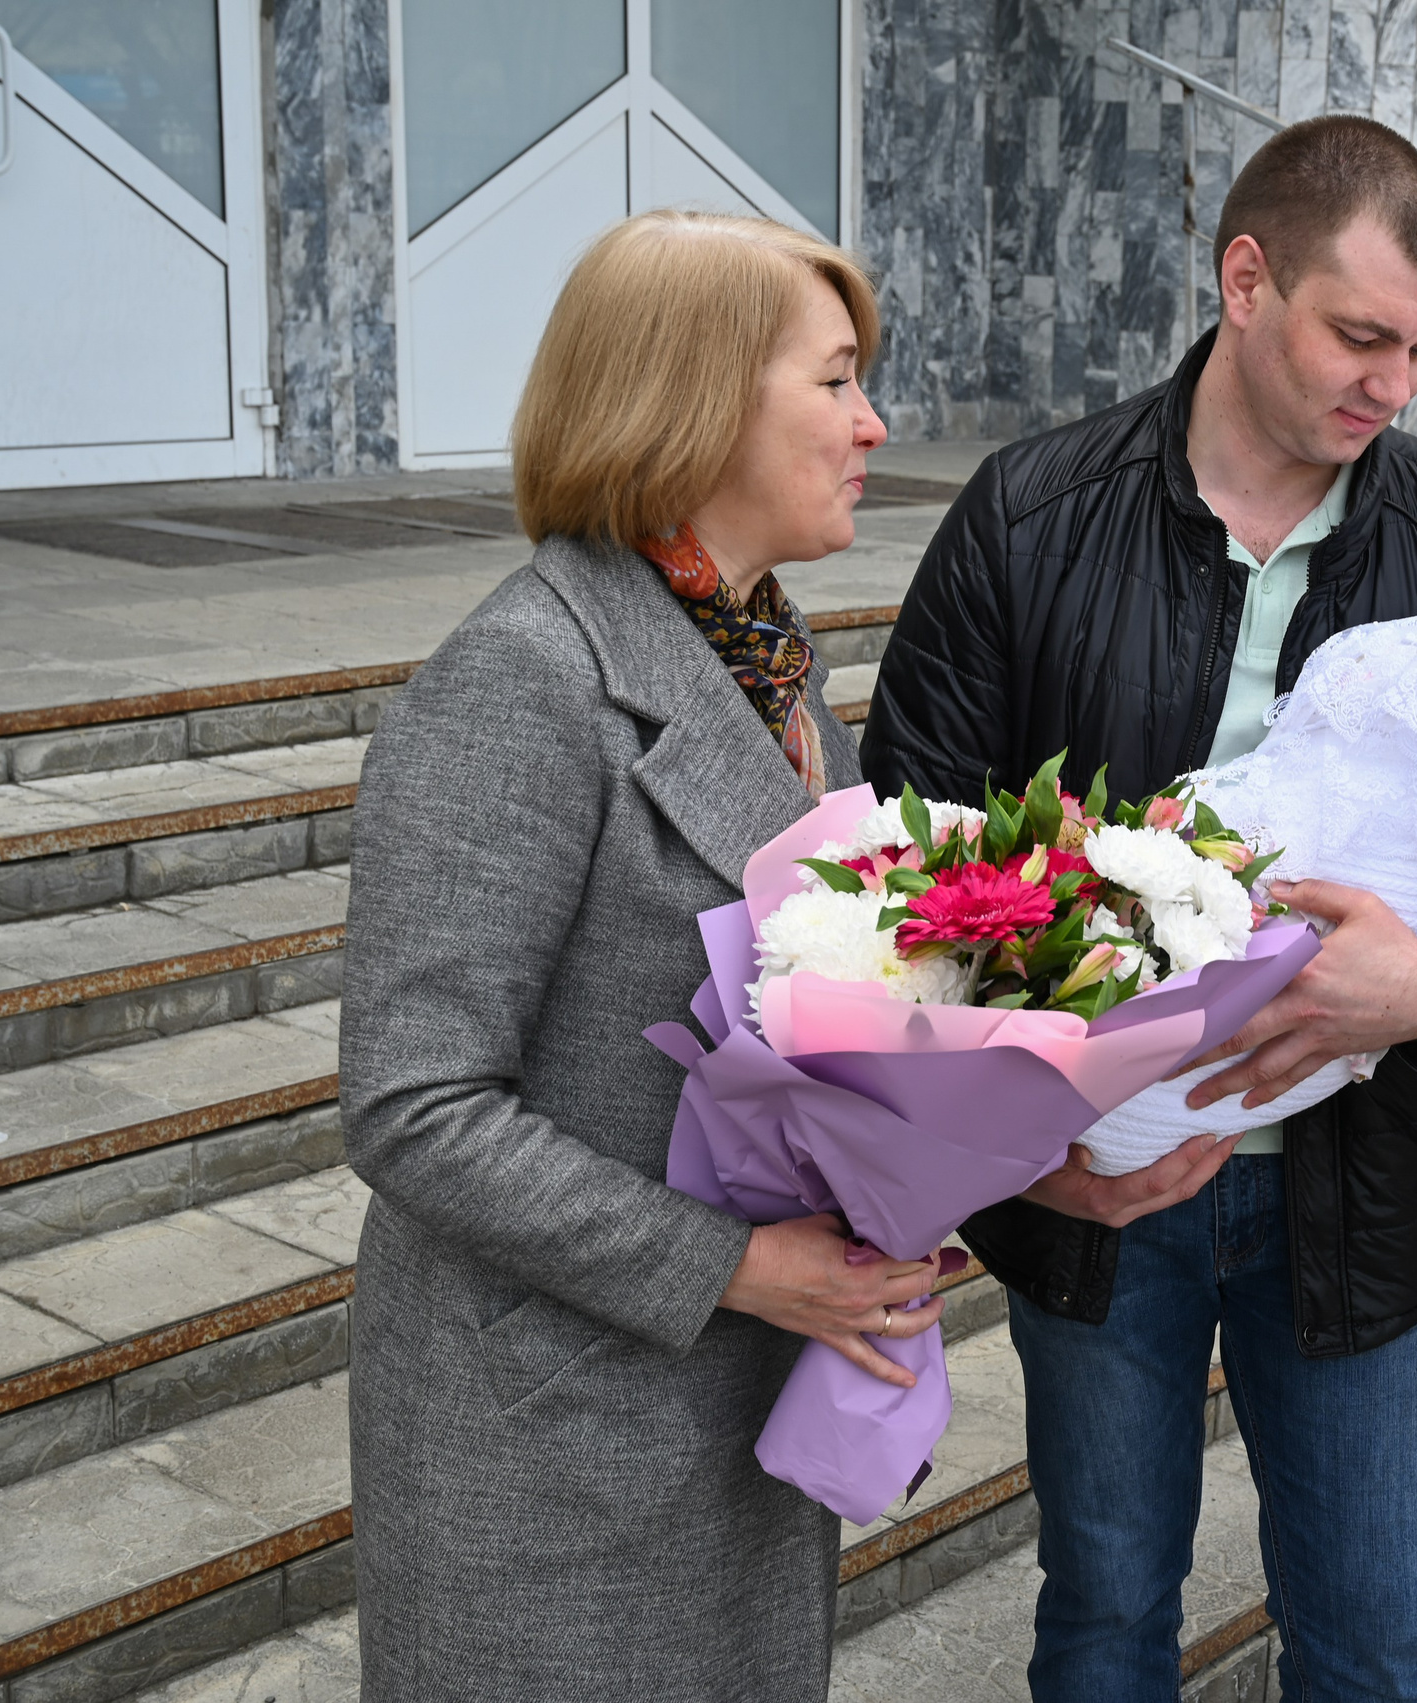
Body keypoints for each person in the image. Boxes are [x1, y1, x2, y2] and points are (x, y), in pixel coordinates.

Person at [859, 116, 1417, 1700]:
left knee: (1367, 1648)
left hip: (1365, 1189)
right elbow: (905, 861)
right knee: (1107, 1619)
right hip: (1100, 1202)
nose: (1392, 387)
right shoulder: (1026, 515)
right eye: (1359, 336)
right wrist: (1016, 1152)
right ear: (1245, 280)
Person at [341, 213, 946, 1701]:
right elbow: (414, 1104)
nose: (873, 424)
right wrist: (738, 1266)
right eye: (836, 382)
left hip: (730, 1409)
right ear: (694, 399)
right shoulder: (524, 683)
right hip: (554, 1441)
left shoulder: (774, 671)